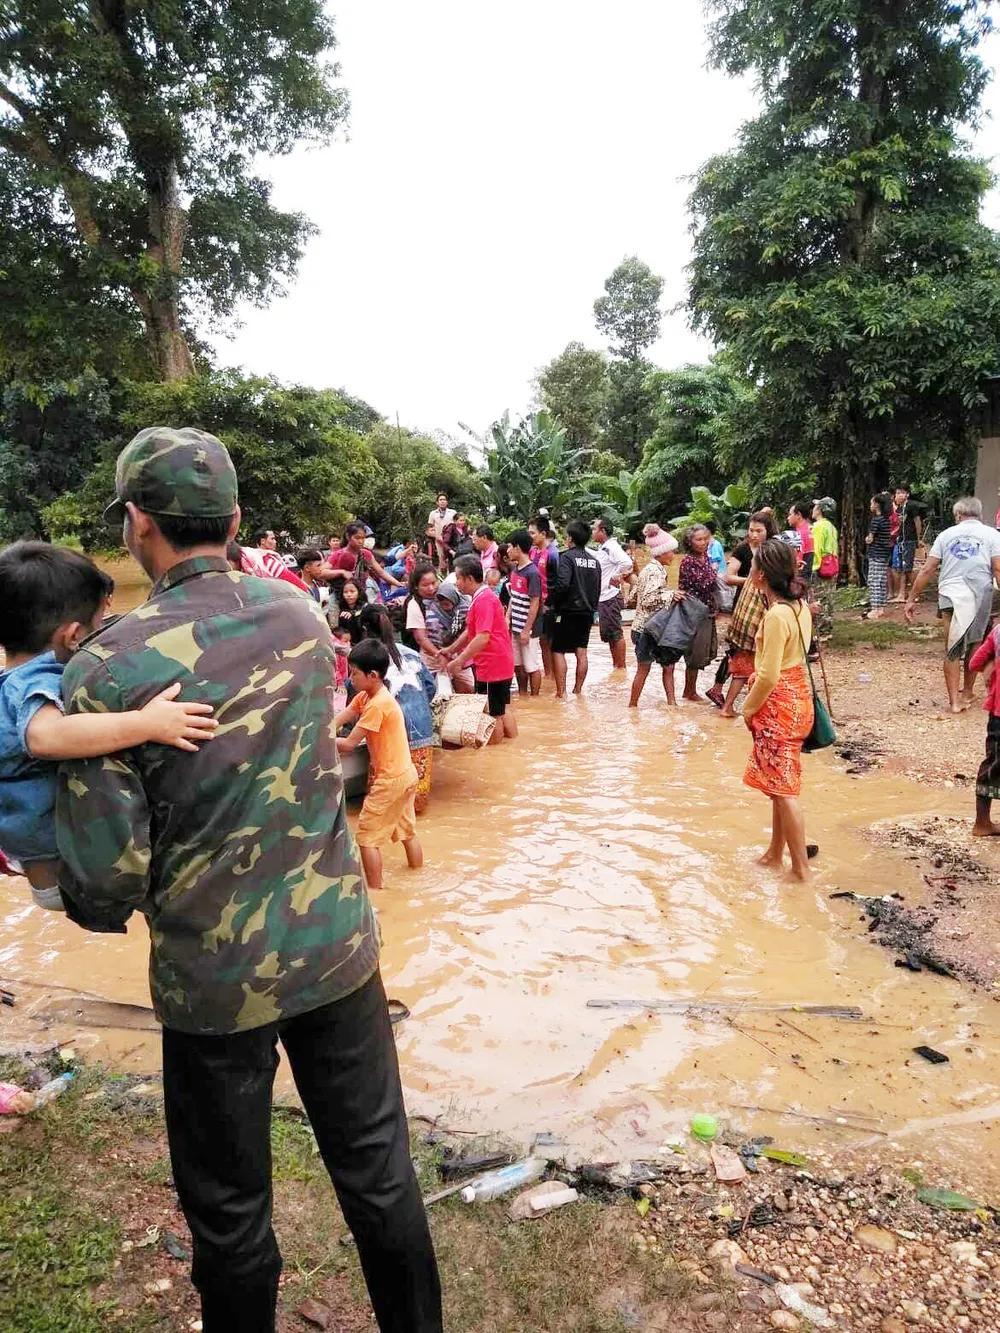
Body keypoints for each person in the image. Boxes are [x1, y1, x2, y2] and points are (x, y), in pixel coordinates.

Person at [56, 427, 441, 1333]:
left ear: (136, 522)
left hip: (212, 979)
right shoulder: (303, 618)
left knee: (230, 1214)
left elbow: (108, 879)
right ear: (232, 520)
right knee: (381, 1171)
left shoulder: (107, 670)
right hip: (337, 951)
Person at [0, 542, 216, 910]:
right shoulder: (37, 681)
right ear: (72, 637)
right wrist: (146, 724)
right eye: (98, 627)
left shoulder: (8, 680)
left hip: (36, 859)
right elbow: (45, 737)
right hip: (66, 872)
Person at [742, 539, 815, 882]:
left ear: (759, 575)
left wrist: (747, 709)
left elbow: (769, 674)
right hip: (799, 697)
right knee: (778, 783)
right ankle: (775, 853)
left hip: (778, 706)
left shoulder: (775, 616)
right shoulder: (800, 607)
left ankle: (801, 870)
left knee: (784, 790)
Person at [336, 638, 424, 886]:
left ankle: (376, 892)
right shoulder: (367, 696)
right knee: (407, 831)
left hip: (390, 780)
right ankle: (418, 876)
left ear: (372, 674)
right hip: (406, 774)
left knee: (366, 838)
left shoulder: (377, 705)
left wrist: (317, 739)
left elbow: (348, 745)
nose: (350, 678)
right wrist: (325, 728)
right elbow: (343, 717)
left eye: (353, 673)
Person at [905, 496, 1000, 713]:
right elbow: (997, 568)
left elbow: (928, 569)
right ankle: (966, 691)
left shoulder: (946, 535)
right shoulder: (992, 535)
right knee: (975, 643)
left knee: (952, 645)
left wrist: (911, 599)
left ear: (958, 515)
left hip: (949, 593)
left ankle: (954, 702)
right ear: (980, 514)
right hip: (979, 594)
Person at [356, 604, 439, 814]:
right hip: (422, 729)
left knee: (382, 807)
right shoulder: (411, 654)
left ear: (365, 630)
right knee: (415, 806)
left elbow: (357, 699)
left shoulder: (365, 661)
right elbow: (431, 689)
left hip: (390, 735)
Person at [706, 511, 778, 714]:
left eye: (759, 531)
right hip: (748, 607)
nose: (754, 534)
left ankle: (726, 694)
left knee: (742, 657)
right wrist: (753, 580)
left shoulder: (770, 548)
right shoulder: (745, 550)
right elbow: (728, 577)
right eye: (751, 530)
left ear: (768, 531)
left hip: (756, 608)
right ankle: (732, 702)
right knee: (741, 655)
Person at [441, 554, 516, 743]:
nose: (456, 583)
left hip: (492, 664)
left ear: (469, 579)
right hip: (497, 662)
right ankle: (512, 748)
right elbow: (471, 631)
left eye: (458, 578)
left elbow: (482, 637)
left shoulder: (483, 600)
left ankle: (497, 757)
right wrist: (451, 649)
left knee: (492, 714)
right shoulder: (481, 597)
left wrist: (458, 661)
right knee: (501, 708)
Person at [628, 525, 681, 708]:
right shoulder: (655, 572)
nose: (673, 555)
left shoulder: (647, 569)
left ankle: (669, 704)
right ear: (663, 552)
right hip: (648, 630)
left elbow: (632, 597)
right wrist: (670, 595)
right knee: (645, 669)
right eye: (671, 552)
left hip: (643, 628)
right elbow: (648, 600)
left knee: (666, 666)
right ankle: (633, 706)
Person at [550, 520, 602, 700]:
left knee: (558, 650)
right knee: (582, 650)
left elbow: (563, 584)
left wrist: (551, 601)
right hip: (587, 612)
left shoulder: (566, 557)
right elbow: (597, 588)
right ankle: (578, 691)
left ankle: (561, 693)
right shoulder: (594, 562)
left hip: (567, 611)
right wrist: (593, 609)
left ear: (570, 538)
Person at [677, 523, 720, 702]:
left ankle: (690, 690)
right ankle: (689, 691)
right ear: (690, 542)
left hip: (707, 611)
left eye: (705, 539)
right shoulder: (689, 561)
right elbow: (705, 584)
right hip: (693, 612)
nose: (703, 542)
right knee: (695, 652)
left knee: (704, 650)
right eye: (698, 539)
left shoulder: (705, 558)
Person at [965, 620, 1000, 835]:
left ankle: (982, 822)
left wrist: (992, 663)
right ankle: (982, 824)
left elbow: (974, 663)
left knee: (993, 764)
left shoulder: (997, 631)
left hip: (998, 714)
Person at [592, 516, 633, 670]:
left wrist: (616, 575)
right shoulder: (604, 548)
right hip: (604, 597)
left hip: (610, 596)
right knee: (610, 634)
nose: (593, 532)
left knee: (615, 633)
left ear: (603, 531)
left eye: (595, 529)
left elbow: (627, 562)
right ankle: (616, 666)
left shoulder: (612, 547)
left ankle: (621, 667)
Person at [506, 528, 543, 697]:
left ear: (518, 548)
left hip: (528, 628)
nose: (507, 551)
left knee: (531, 666)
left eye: (509, 547)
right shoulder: (515, 570)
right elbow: (514, 597)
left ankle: (534, 699)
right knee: (518, 665)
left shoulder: (532, 573)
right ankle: (523, 696)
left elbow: (535, 602)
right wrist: (508, 618)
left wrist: (526, 630)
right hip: (515, 626)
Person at [327, 521, 404, 599]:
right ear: (348, 536)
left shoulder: (366, 554)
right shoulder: (338, 555)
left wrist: (399, 584)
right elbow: (322, 572)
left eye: (363, 538)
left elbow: (381, 572)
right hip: (341, 597)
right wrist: (342, 572)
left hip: (360, 596)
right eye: (357, 538)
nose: (360, 541)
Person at [528, 515, 560, 679]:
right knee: (542, 641)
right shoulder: (532, 552)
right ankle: (548, 676)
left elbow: (558, 583)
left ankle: (555, 677)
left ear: (543, 533)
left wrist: (551, 604)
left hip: (550, 607)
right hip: (536, 605)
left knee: (552, 642)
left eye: (533, 533)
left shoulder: (553, 555)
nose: (530, 537)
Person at [404, 564, 445, 668]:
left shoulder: (446, 595)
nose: (431, 588)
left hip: (456, 656)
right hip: (432, 659)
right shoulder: (415, 605)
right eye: (425, 585)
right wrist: (439, 656)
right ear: (416, 586)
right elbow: (421, 638)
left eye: (433, 583)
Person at [810, 498, 839, 640]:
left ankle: (821, 631)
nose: (813, 508)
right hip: (832, 564)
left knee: (818, 598)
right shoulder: (831, 526)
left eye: (816, 506)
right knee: (828, 598)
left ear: (820, 509)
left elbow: (817, 549)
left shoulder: (818, 526)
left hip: (821, 566)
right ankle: (827, 629)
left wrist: (813, 567)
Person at [889, 484, 924, 602]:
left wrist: (918, 538)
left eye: (901, 493)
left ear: (907, 494)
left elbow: (917, 521)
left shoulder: (911, 506)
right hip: (900, 540)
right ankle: (906, 593)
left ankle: (907, 594)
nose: (899, 495)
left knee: (906, 567)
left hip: (909, 540)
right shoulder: (898, 509)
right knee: (901, 567)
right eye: (897, 493)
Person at [865, 492, 893, 619]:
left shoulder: (876, 520)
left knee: (874, 581)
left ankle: (875, 609)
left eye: (871, 503)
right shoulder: (887, 520)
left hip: (875, 554)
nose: (870, 505)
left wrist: (867, 539)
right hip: (884, 554)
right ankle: (880, 607)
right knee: (881, 580)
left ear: (876, 505)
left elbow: (870, 539)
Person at [427, 493, 456, 572]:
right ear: (437, 502)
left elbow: (457, 526)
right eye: (441, 500)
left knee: (452, 560)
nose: (442, 501)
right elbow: (430, 529)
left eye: (444, 500)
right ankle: (443, 580)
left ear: (447, 502)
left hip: (451, 541)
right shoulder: (433, 513)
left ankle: (452, 578)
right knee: (442, 561)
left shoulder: (453, 512)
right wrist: (436, 536)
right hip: (439, 541)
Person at [787, 503, 814, 578]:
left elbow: (798, 560)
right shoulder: (813, 529)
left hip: (804, 574)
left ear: (798, 515)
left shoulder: (798, 534)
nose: (788, 518)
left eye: (790, 514)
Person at [336, 578, 365, 644]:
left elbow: (362, 612)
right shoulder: (341, 608)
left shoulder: (364, 606)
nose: (349, 595)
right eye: (345, 592)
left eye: (352, 591)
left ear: (358, 592)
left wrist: (353, 614)